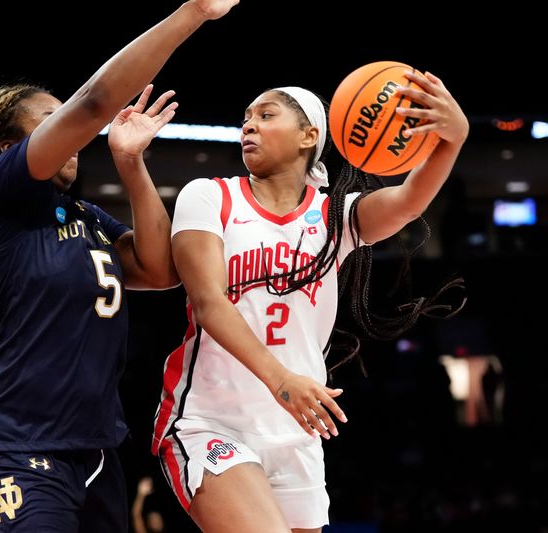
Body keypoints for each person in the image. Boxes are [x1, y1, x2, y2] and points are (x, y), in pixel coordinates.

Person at [0, 1, 238, 530]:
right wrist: (190, 14)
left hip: (95, 449)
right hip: (12, 446)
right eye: (54, 122)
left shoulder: (87, 216)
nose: (74, 135)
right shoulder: (0, 198)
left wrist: (130, 163)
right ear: (12, 146)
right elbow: (97, 102)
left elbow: (159, 271)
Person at [152, 72, 469, 531]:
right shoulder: (209, 195)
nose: (248, 126)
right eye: (246, 118)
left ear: (310, 136)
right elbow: (209, 303)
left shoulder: (334, 217)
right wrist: (282, 380)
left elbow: (408, 201)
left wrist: (452, 140)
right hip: (210, 419)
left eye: (265, 115)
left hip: (294, 431)